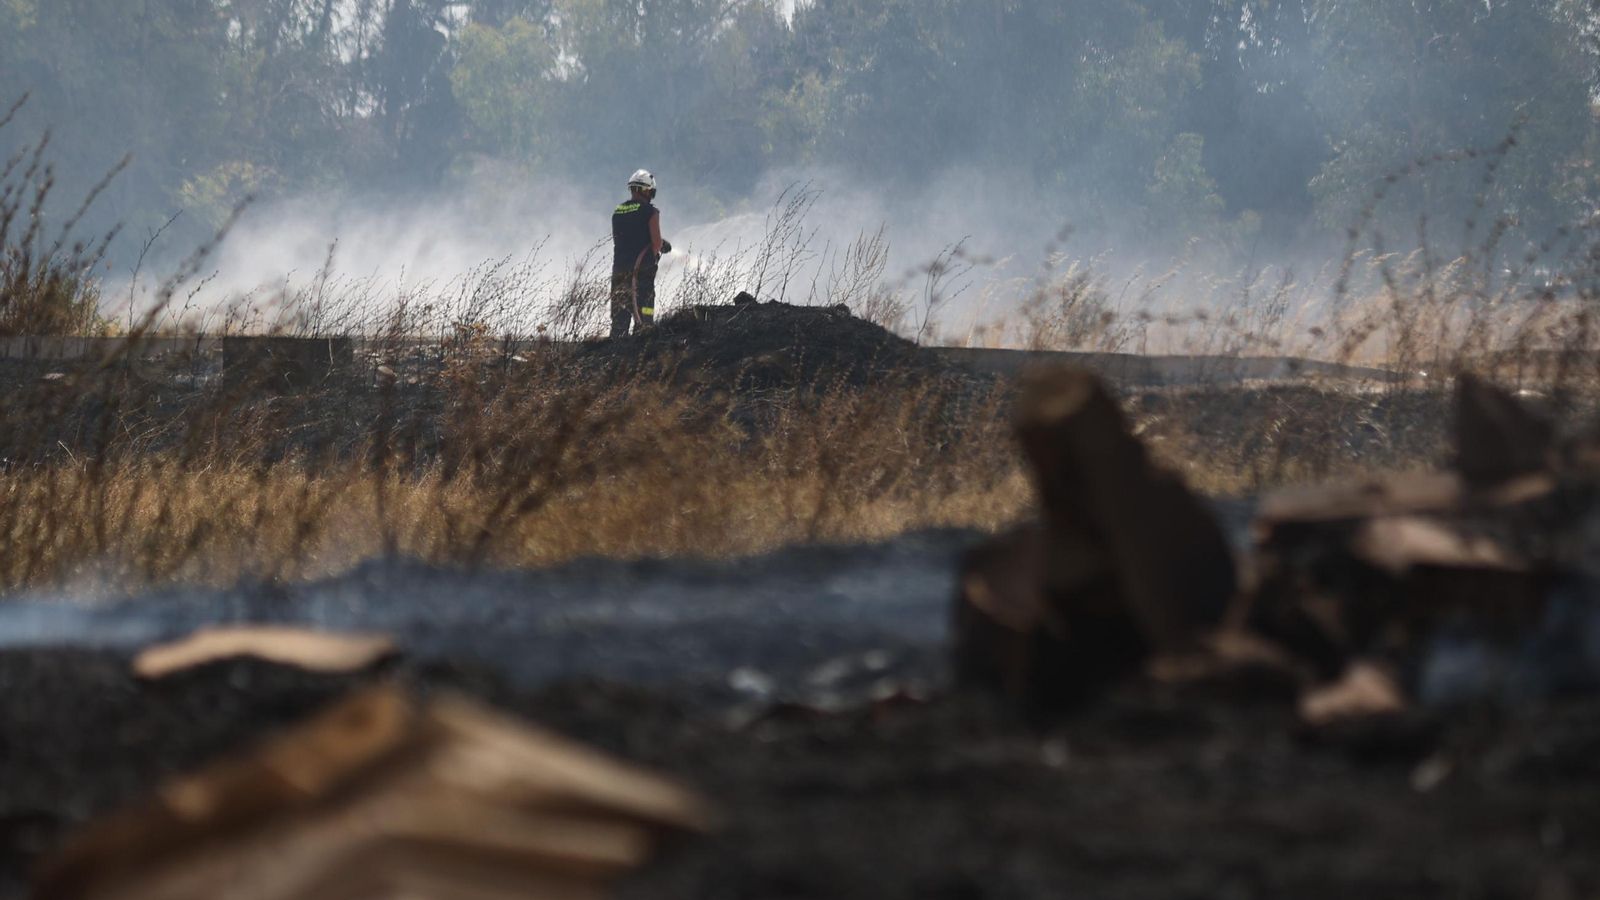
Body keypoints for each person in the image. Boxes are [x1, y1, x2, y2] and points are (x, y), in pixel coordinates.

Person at [610, 169, 672, 337]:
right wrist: (660, 247)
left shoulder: (618, 211)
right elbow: (656, 243)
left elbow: (628, 238)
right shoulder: (650, 212)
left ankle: (615, 356)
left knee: (619, 321)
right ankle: (640, 356)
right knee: (644, 319)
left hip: (619, 273)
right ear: (646, 190)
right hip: (641, 274)